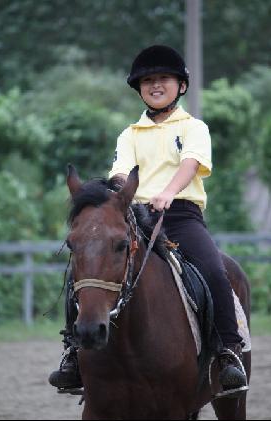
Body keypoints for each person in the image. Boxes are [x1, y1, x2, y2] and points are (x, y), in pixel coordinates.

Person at [49, 45, 248, 397]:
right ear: (140, 88)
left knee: (215, 271)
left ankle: (227, 352)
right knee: (84, 271)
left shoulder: (193, 127)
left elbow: (190, 164)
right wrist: (124, 196)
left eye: (163, 79)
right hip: (135, 213)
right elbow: (121, 172)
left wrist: (169, 192)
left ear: (181, 86)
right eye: (148, 81)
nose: (155, 85)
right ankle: (73, 355)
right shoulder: (130, 133)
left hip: (182, 214)